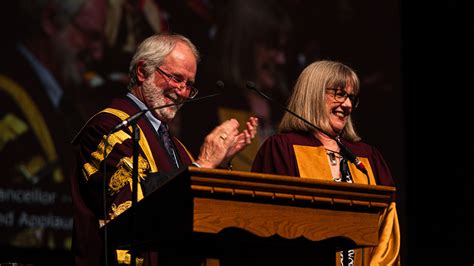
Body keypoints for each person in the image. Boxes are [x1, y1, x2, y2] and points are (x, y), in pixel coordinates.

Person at [70, 33, 258, 266]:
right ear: (142, 71)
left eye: (189, 85)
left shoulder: (176, 146)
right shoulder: (110, 128)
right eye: (176, 78)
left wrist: (216, 166)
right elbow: (134, 206)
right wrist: (203, 165)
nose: (182, 92)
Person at [252, 60, 400, 265]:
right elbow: (269, 226)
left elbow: (387, 231)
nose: (347, 105)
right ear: (313, 94)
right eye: (339, 94)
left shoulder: (367, 157)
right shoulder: (283, 150)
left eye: (351, 98)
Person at [0, 0, 107, 256]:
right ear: (50, 21)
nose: (98, 54)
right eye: (90, 36)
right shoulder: (7, 96)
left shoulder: (68, 101)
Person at [180, 0, 292, 172]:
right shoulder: (208, 103)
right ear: (244, 46)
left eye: (283, 49)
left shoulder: (284, 105)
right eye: (272, 47)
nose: (280, 59)